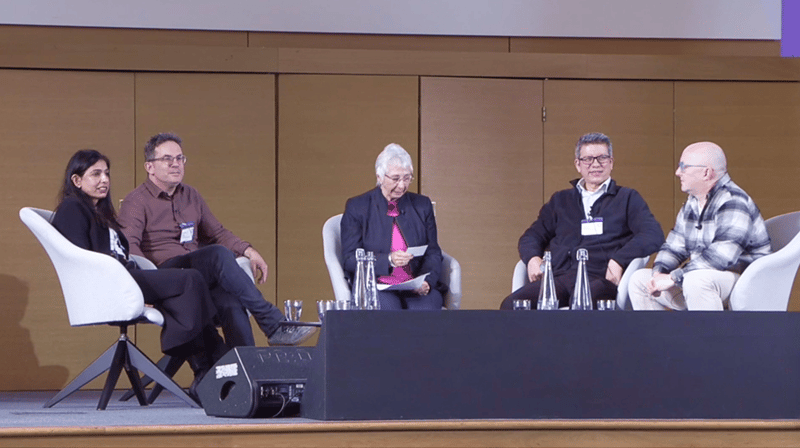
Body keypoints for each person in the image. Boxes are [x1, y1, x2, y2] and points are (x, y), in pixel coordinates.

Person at [52, 149, 226, 400]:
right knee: (190, 278)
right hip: (110, 282)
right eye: (95, 174)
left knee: (183, 294)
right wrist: (128, 290)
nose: (104, 180)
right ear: (77, 180)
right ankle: (207, 359)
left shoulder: (101, 213)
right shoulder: (72, 208)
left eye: (107, 174)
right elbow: (82, 259)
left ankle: (204, 373)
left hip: (127, 277)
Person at [118, 132, 314, 347]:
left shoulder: (191, 195)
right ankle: (272, 322)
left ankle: (241, 373)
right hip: (166, 275)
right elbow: (130, 247)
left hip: (194, 274)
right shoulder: (136, 201)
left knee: (230, 301)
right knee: (218, 254)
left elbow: (217, 233)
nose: (176, 164)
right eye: (167, 159)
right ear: (149, 167)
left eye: (180, 158)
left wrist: (249, 251)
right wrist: (145, 287)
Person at [501, 132, 664, 309]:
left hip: (599, 278)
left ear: (611, 162)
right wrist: (532, 259)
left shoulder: (627, 198)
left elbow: (652, 234)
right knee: (511, 305)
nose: (595, 164)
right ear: (578, 165)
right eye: (587, 159)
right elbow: (531, 236)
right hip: (559, 278)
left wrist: (618, 260)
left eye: (602, 158)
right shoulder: (560, 200)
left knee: (581, 306)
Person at [628, 142, 771, 311]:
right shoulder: (692, 203)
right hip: (701, 277)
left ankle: (710, 338)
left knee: (695, 280)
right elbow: (674, 246)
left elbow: (721, 257)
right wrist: (659, 274)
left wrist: (673, 278)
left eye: (683, 167)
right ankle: (663, 338)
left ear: (706, 172)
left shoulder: (733, 200)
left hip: (745, 281)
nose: (677, 172)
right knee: (639, 280)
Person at [341, 143, 446, 310]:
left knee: (427, 312)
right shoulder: (358, 206)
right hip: (376, 285)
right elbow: (350, 259)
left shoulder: (422, 205)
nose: (402, 185)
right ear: (379, 177)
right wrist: (388, 259)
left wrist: (427, 281)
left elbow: (433, 251)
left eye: (407, 178)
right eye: (396, 179)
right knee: (389, 314)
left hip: (415, 285)